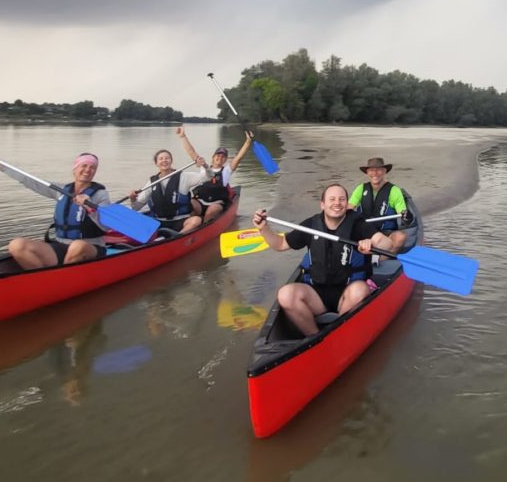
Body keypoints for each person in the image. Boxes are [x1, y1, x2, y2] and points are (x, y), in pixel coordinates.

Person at [252, 184, 392, 336]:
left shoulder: (358, 224)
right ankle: (315, 337)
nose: (337, 203)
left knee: (360, 290)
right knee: (285, 294)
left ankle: (340, 333)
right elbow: (280, 244)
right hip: (316, 294)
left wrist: (370, 243)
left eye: (341, 199)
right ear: (322, 204)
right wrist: (263, 229)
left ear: (347, 203)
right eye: (332, 199)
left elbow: (387, 243)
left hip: (348, 292)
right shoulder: (311, 225)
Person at [0, 147, 111, 269]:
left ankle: (60, 282)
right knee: (16, 245)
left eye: (93, 167)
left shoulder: (100, 195)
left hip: (90, 247)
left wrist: (90, 208)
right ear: (75, 168)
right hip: (60, 245)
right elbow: (27, 179)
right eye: (84, 165)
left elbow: (106, 226)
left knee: (77, 246)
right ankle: (44, 281)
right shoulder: (62, 191)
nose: (88, 170)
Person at [175, 125, 251, 223]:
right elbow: (191, 152)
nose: (220, 158)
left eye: (223, 157)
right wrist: (183, 136)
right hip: (200, 201)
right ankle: (189, 224)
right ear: (213, 157)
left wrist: (248, 142)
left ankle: (204, 225)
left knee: (212, 211)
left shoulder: (226, 171)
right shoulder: (204, 167)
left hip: (216, 203)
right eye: (218, 155)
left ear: (225, 160)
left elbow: (238, 158)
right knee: (190, 203)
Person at [127, 148, 208, 233]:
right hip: (158, 222)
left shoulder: (184, 177)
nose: (164, 160)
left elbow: (207, 177)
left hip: (180, 220)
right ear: (156, 163)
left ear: (171, 161)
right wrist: (133, 198)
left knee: (196, 220)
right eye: (161, 159)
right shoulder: (151, 183)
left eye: (167, 158)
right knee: (136, 220)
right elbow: (136, 207)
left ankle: (178, 238)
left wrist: (205, 166)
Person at [348, 157, 409, 253]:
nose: (375, 173)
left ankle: (381, 259)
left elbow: (401, 211)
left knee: (401, 237)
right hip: (365, 230)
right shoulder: (360, 189)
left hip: (386, 232)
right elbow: (349, 208)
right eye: (371, 170)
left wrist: (405, 215)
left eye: (378, 170)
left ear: (384, 171)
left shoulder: (394, 190)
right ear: (367, 172)